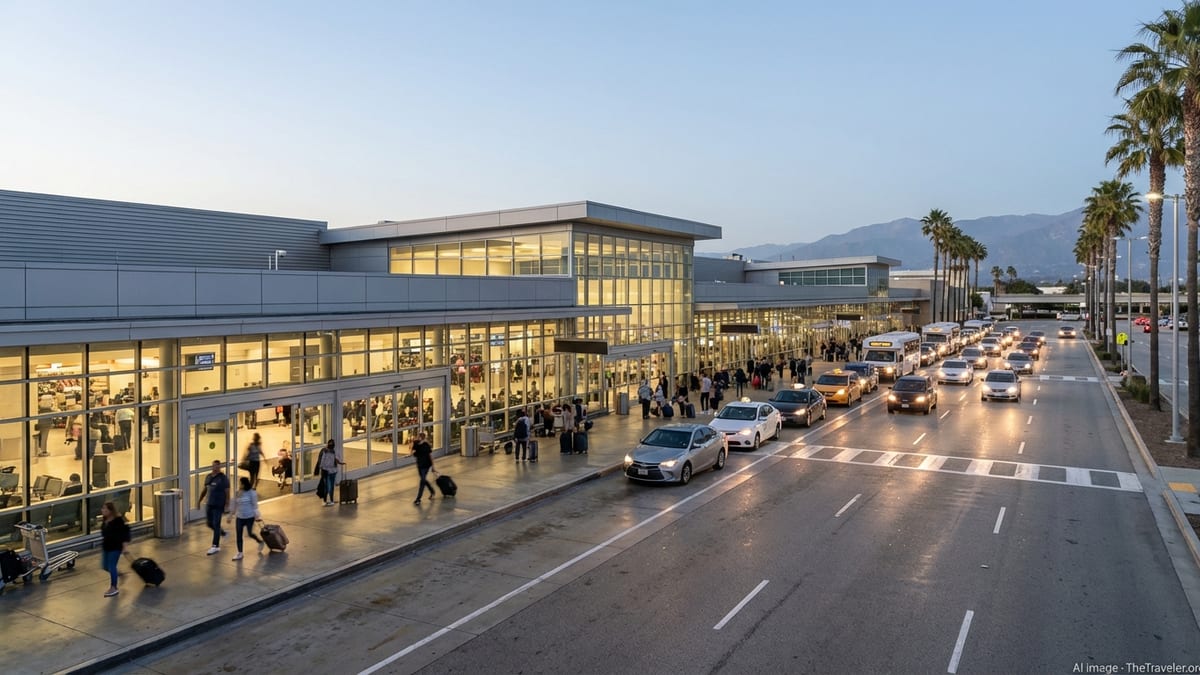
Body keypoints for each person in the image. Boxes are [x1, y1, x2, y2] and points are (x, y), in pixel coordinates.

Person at [197, 460, 230, 555]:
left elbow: (227, 491)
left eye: (217, 466)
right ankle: (222, 533)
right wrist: (199, 500)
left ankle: (215, 546)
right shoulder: (208, 477)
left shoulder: (223, 478)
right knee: (209, 523)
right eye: (214, 466)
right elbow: (205, 489)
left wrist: (227, 502)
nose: (215, 467)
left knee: (216, 524)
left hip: (218, 505)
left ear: (220, 467)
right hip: (209, 504)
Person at [100, 501, 130, 597]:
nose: (103, 510)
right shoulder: (105, 519)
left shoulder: (118, 521)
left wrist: (125, 547)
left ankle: (113, 587)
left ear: (110, 511)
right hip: (106, 546)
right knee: (105, 566)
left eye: (105, 509)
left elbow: (125, 533)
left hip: (115, 547)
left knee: (112, 565)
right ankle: (119, 574)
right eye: (103, 508)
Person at [231, 476, 264, 560]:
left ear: (244, 484)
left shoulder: (252, 493)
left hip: (249, 517)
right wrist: (230, 515)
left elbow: (255, 506)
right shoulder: (237, 493)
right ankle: (240, 553)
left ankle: (260, 541)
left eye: (240, 483)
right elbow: (235, 504)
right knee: (239, 535)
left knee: (250, 533)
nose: (239, 485)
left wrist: (257, 516)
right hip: (239, 517)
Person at [317, 439, 345, 507]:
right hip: (332, 471)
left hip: (326, 471)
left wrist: (321, 468)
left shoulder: (325, 451)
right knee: (331, 487)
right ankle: (330, 500)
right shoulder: (333, 452)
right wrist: (341, 463)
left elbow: (322, 462)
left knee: (327, 486)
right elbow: (337, 460)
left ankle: (325, 501)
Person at [411, 432, 435, 505]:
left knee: (422, 481)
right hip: (420, 465)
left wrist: (433, 467)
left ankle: (418, 498)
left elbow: (430, 456)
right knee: (423, 480)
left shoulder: (427, 445)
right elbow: (412, 451)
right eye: (418, 437)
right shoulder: (416, 444)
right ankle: (432, 490)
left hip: (426, 465)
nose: (418, 438)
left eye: (419, 437)